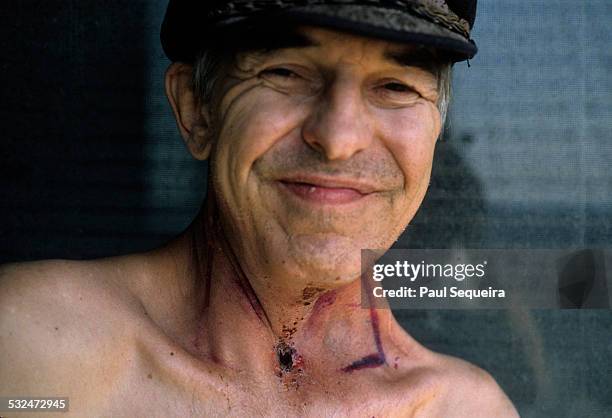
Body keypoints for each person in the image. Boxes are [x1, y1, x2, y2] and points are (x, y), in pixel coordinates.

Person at [0, 0, 519, 416]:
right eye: (286, 72)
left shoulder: (463, 408)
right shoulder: (34, 355)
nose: (339, 140)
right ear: (195, 110)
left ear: (434, 135)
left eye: (395, 86)